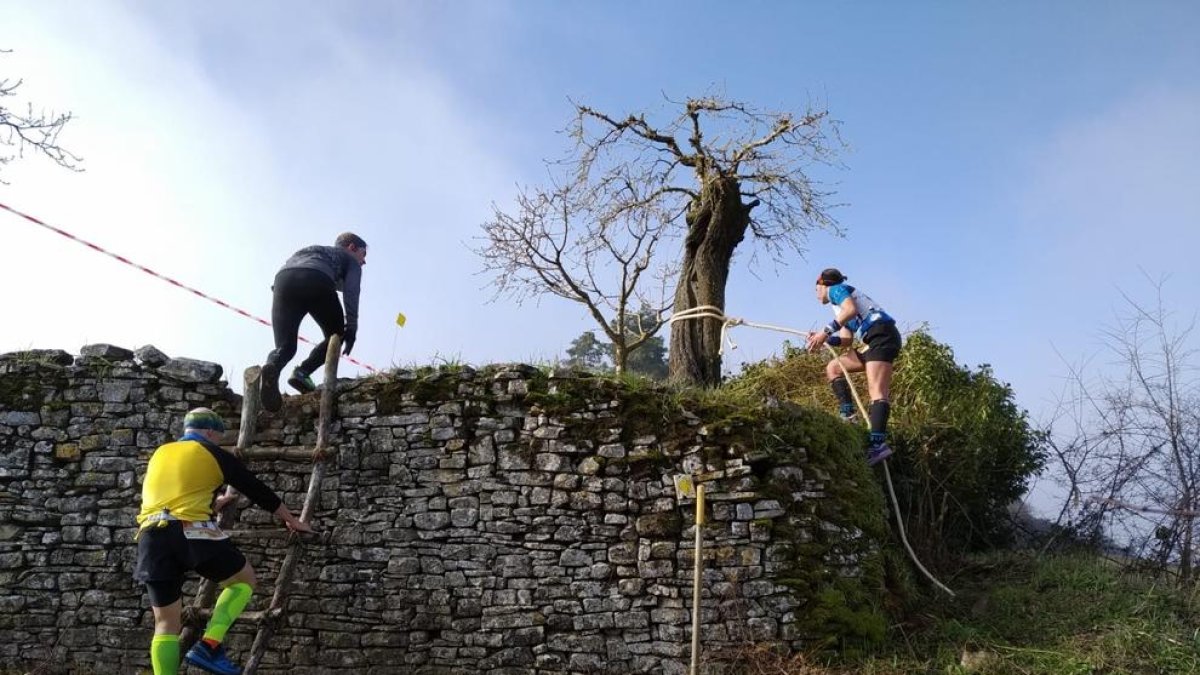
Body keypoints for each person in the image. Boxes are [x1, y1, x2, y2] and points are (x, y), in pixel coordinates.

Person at [134, 408, 313, 675]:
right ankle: (209, 645)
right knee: (243, 581)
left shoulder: (160, 453)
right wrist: (291, 519)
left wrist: (212, 503)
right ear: (208, 433)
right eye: (218, 436)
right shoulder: (212, 453)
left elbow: (169, 497)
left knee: (165, 624)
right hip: (190, 531)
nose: (219, 441)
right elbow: (255, 488)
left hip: (150, 536)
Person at [805, 268, 902, 466]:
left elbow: (852, 310)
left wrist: (824, 331)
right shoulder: (838, 308)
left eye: (816, 289)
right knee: (834, 367)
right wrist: (824, 339)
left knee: (877, 391)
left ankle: (878, 445)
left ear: (823, 284)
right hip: (871, 341)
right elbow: (846, 340)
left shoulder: (837, 290)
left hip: (880, 335)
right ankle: (848, 415)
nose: (816, 294)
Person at [260, 232, 367, 412]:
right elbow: (351, 292)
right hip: (317, 279)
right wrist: (352, 328)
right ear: (351, 248)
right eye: (363, 255)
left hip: (283, 282)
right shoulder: (350, 261)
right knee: (336, 336)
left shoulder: (313, 250)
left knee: (285, 347)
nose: (363, 262)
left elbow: (293, 268)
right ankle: (302, 372)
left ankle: (272, 368)